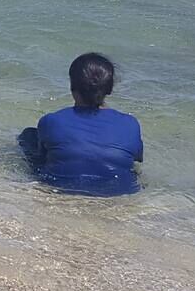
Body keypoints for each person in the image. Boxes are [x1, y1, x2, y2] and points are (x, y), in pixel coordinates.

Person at [18, 53, 144, 195]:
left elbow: (42, 155)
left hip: (60, 187)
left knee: (28, 135)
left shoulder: (51, 120)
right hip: (121, 192)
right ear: (109, 89)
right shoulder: (130, 124)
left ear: (72, 86)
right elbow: (137, 158)